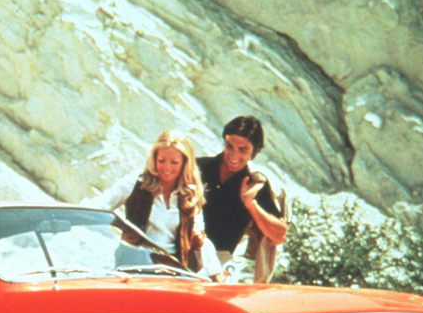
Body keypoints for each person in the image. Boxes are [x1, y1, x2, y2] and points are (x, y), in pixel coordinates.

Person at [84, 130, 223, 280]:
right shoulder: (135, 183)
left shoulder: (190, 193)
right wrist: (118, 230)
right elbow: (97, 209)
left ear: (185, 163)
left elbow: (199, 233)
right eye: (161, 160)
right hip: (134, 270)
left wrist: (197, 238)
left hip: (173, 272)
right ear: (154, 159)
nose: (167, 168)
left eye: (174, 162)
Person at [198, 116, 289, 283]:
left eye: (243, 150)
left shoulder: (255, 184)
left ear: (255, 151)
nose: (234, 155)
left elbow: (279, 236)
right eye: (229, 146)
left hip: (220, 263)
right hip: (182, 253)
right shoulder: (197, 168)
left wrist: (251, 204)